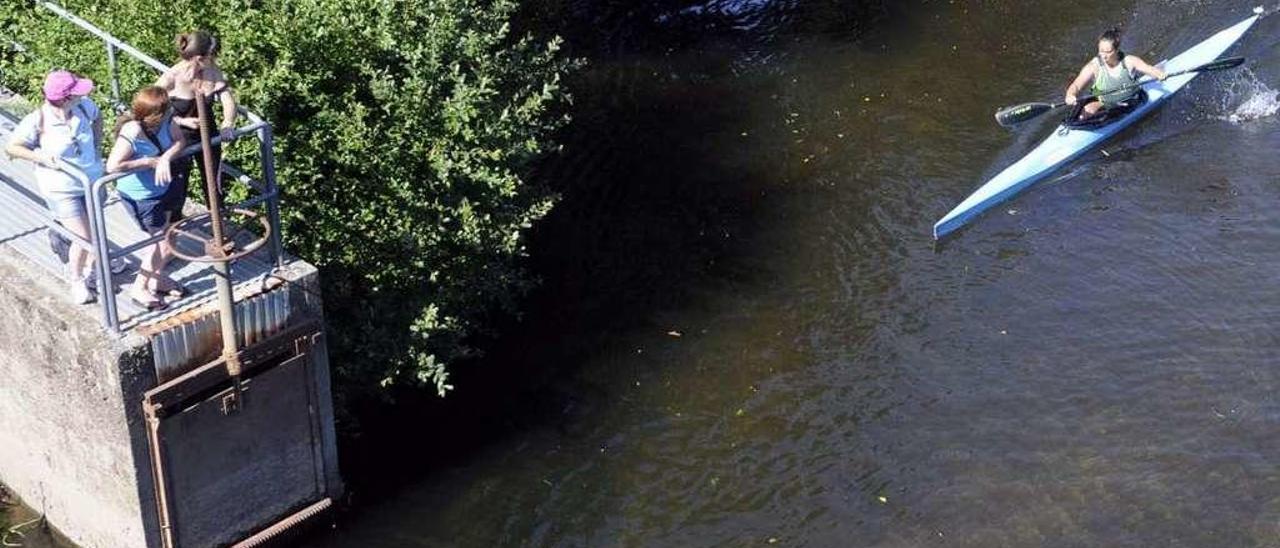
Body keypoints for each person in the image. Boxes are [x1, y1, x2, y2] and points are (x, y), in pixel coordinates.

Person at [4, 70, 104, 304]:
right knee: (83, 238)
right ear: (64, 98)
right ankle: (76, 278)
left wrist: (98, 147)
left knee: (95, 232)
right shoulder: (37, 120)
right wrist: (43, 159)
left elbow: (98, 118)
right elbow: (13, 147)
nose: (82, 95)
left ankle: (93, 270)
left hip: (92, 181)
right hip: (62, 189)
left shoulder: (84, 107)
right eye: (76, 93)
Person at [106, 86, 186, 310]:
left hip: (165, 188)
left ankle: (157, 278)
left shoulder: (167, 119)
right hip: (142, 196)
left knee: (168, 239)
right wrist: (148, 162)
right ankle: (139, 288)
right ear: (154, 114)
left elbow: (180, 141)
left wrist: (165, 158)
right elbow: (112, 166)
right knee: (159, 242)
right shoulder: (132, 130)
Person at [155, 30, 237, 210]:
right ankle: (173, 224)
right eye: (211, 54)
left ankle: (217, 218)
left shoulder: (212, 71)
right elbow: (151, 107)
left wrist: (228, 124)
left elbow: (227, 100)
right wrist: (181, 122)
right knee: (179, 182)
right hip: (179, 136)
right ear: (200, 57)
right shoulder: (172, 77)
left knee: (213, 181)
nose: (214, 57)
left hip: (208, 133)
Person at [1065, 28, 1167, 122]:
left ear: (1117, 50)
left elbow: (1149, 69)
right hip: (1106, 103)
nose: (1103, 56)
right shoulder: (1094, 66)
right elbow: (1076, 85)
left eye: (1108, 52)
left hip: (1130, 101)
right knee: (1084, 113)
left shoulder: (1129, 61)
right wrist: (1070, 95)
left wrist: (1159, 74)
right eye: (1101, 51)